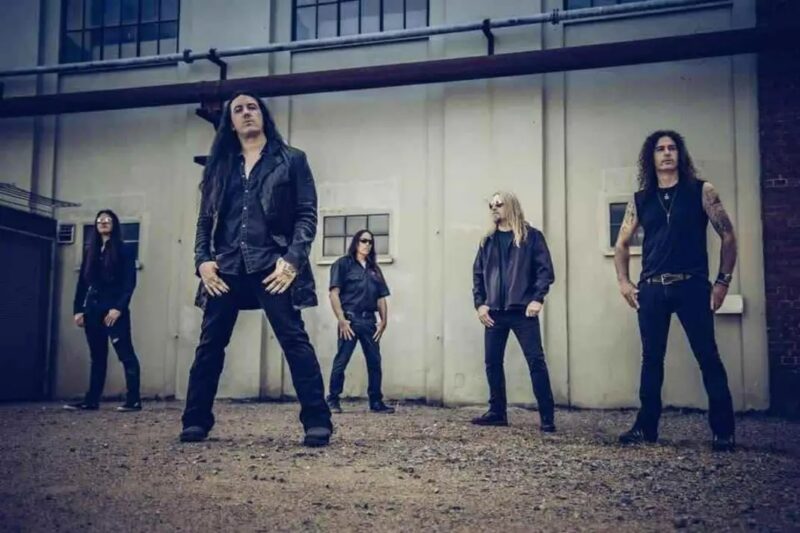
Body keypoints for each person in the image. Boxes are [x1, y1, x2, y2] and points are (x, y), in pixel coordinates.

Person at [180, 92, 332, 447]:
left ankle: (317, 422)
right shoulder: (219, 166)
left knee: (294, 340)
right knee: (209, 345)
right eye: (238, 109)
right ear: (230, 123)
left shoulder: (292, 159)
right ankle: (195, 421)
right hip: (226, 268)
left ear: (263, 115)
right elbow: (204, 221)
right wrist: (202, 261)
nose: (246, 113)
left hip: (272, 266)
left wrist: (292, 260)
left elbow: (306, 215)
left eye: (252, 107)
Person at [614, 130, 737, 451]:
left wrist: (723, 282)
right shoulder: (641, 199)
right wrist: (624, 282)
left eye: (672, 148)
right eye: (660, 149)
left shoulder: (701, 191)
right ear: (651, 156)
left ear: (680, 154)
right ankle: (646, 429)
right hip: (652, 288)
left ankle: (724, 431)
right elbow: (621, 243)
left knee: (708, 356)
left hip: (692, 285)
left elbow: (728, 236)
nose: (667, 153)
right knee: (651, 359)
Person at [471, 191, 557, 432]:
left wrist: (537, 298)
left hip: (522, 311)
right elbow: (477, 275)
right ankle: (497, 413)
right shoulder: (487, 241)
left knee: (536, 361)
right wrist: (480, 304)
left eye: (498, 204)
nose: (494, 208)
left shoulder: (531, 237)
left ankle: (547, 417)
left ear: (511, 206)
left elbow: (545, 271)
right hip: (494, 312)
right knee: (492, 362)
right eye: (491, 205)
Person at [65, 209, 141, 412]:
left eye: (107, 220)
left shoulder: (124, 250)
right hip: (92, 310)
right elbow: (82, 283)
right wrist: (78, 310)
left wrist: (118, 308)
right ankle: (91, 401)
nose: (103, 222)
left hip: (114, 311)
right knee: (97, 357)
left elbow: (129, 283)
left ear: (114, 224)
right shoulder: (90, 251)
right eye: (100, 220)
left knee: (126, 354)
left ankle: (133, 400)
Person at [326, 230, 394, 414]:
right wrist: (341, 320)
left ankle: (376, 402)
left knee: (374, 362)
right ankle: (333, 400)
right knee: (342, 360)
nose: (367, 245)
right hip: (350, 320)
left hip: (369, 321)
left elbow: (381, 297)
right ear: (356, 242)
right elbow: (334, 294)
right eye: (364, 241)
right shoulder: (343, 264)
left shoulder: (374, 269)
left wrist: (384, 321)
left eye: (370, 242)